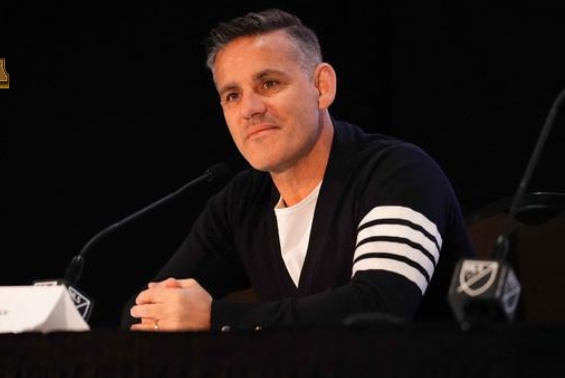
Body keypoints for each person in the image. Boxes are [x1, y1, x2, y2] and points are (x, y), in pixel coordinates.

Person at [121, 8, 474, 332]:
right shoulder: (241, 202)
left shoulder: (399, 173)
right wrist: (170, 312)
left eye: (269, 84)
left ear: (322, 87)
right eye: (232, 95)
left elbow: (377, 310)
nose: (250, 109)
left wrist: (216, 317)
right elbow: (140, 312)